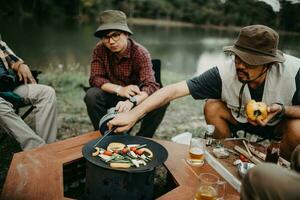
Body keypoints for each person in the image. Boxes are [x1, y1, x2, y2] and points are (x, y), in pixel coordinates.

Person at [108, 24, 300, 160]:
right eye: (237, 57)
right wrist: (133, 114)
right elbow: (173, 91)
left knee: (297, 129)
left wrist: (283, 110)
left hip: (278, 125)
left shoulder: (295, 72)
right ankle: (228, 154)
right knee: (212, 106)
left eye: (249, 61)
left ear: (269, 63)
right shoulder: (223, 73)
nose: (240, 65)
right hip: (239, 117)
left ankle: (277, 166)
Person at [84, 10, 167, 138]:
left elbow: (151, 85)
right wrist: (120, 90)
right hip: (112, 93)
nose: (111, 42)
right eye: (106, 37)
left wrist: (132, 101)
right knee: (91, 95)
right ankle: (105, 132)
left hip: (136, 97)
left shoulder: (140, 53)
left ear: (126, 34)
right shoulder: (100, 49)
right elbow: (95, 78)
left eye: (115, 35)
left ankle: (143, 137)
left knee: (162, 101)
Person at [0, 39, 57, 150]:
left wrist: (20, 65)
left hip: (8, 89)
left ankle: (49, 147)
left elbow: (13, 59)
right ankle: (37, 149)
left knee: (47, 93)